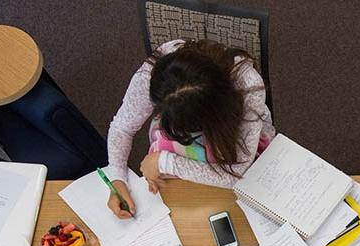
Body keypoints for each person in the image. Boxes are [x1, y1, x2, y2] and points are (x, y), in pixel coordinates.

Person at [104, 39, 275, 218]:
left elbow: (237, 170)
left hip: (236, 147)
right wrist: (117, 177)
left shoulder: (248, 85)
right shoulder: (156, 74)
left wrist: (165, 162)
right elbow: (122, 127)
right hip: (183, 157)